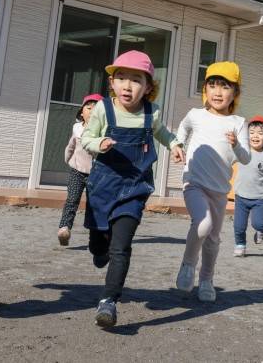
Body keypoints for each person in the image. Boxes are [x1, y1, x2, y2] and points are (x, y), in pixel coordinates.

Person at [81, 50, 186, 328]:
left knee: (122, 246)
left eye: (136, 80)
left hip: (135, 188)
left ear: (148, 87)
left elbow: (161, 132)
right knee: (98, 243)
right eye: (121, 78)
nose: (128, 85)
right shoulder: (103, 108)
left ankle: (109, 301)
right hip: (103, 187)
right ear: (112, 83)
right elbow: (87, 137)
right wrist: (99, 143)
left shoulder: (151, 112)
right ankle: (98, 248)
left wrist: (175, 145)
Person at [174, 62, 251, 302]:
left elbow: (246, 158)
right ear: (204, 89)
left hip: (219, 190)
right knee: (203, 224)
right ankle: (188, 265)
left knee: (214, 239)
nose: (217, 92)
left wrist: (236, 144)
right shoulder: (195, 115)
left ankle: (206, 280)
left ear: (235, 93)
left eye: (225, 86)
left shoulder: (239, 123)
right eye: (212, 85)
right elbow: (182, 131)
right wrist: (177, 145)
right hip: (194, 182)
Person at [232, 115, 263, 258]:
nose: (255, 136)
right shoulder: (242, 151)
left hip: (259, 199)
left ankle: (262, 230)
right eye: (252, 132)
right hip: (241, 196)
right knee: (239, 226)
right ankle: (240, 245)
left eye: (260, 133)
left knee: (258, 223)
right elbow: (228, 160)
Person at [57, 93, 102, 245]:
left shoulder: (102, 132)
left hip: (95, 174)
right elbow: (71, 146)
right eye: (88, 108)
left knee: (94, 204)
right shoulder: (77, 129)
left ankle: (94, 234)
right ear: (82, 113)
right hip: (77, 170)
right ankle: (64, 228)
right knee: (72, 199)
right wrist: (68, 159)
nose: (91, 111)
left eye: (96, 109)